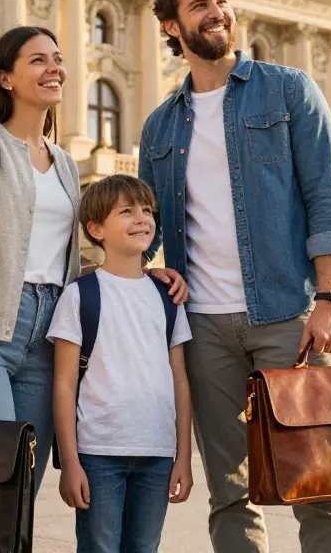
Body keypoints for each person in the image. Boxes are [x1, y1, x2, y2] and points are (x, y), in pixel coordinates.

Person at [138, 0, 331, 553]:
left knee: (319, 482)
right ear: (171, 27)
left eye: (220, 1)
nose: (216, 13)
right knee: (229, 493)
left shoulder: (288, 90)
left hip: (288, 314)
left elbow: (327, 198)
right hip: (205, 327)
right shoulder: (159, 127)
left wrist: (330, 299)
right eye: (199, 6)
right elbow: (147, 226)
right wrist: (147, 264)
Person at [0, 26, 185, 493]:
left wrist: (142, 274)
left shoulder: (65, 163)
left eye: (58, 59)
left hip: (49, 337)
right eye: (38, 60)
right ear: (5, 78)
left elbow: (57, 262)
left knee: (21, 486)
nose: (55, 69)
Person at [48, 174, 194, 553]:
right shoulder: (79, 296)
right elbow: (64, 384)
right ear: (96, 229)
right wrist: (70, 463)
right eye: (126, 212)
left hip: (158, 455)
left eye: (147, 210)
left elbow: (180, 380)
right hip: (98, 455)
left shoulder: (168, 297)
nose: (142, 219)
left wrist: (184, 457)